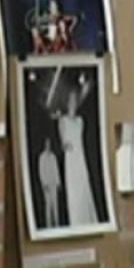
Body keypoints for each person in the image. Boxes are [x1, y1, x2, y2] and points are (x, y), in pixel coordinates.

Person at [52, 74, 99, 226]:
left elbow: (85, 93)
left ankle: (88, 218)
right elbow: (62, 141)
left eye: (74, 100)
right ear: (67, 103)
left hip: (80, 157)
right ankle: (76, 221)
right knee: (74, 190)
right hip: (71, 159)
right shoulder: (62, 120)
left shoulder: (80, 121)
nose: (72, 102)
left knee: (84, 186)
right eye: (70, 100)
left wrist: (85, 86)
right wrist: (65, 145)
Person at [38, 137, 62, 228]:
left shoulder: (53, 156)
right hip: (47, 184)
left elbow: (56, 169)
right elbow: (41, 171)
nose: (48, 145)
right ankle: (48, 225)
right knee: (48, 204)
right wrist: (44, 183)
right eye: (46, 144)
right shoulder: (42, 157)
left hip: (54, 183)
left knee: (55, 204)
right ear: (44, 145)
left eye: (49, 144)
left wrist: (58, 182)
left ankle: (57, 224)